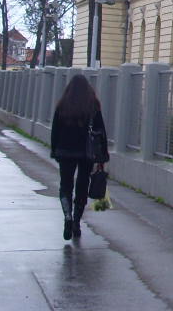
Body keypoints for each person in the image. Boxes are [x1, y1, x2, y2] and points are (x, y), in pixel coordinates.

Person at [50, 74, 108, 240]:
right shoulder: (93, 106)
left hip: (65, 151)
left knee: (65, 186)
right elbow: (101, 131)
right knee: (82, 186)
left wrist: (54, 150)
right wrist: (103, 155)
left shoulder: (63, 105)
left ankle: (67, 216)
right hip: (86, 153)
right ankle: (76, 221)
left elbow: (55, 130)